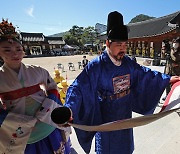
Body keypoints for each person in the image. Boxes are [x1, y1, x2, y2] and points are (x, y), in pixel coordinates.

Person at [51, 11, 180, 154]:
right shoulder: (97, 66)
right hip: (107, 120)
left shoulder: (128, 63)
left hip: (125, 116)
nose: (123, 49)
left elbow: (144, 73)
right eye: (119, 44)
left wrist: (166, 79)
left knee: (126, 148)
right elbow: (79, 87)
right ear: (107, 43)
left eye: (125, 44)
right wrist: (69, 109)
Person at [0, 19, 71, 153]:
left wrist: (47, 109)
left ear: (24, 51)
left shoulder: (37, 70)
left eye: (18, 49)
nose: (15, 53)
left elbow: (53, 87)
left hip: (47, 122)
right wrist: (15, 120)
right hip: (19, 129)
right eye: (7, 50)